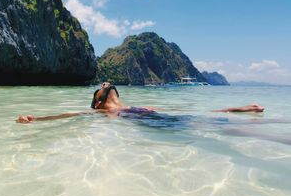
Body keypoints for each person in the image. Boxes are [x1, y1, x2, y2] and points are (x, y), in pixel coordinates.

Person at [16, 82, 264, 123]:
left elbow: (186, 109)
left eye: (105, 86)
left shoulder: (131, 106)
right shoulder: (102, 114)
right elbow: (70, 115)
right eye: (99, 89)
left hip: (154, 118)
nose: (105, 85)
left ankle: (243, 112)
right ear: (99, 104)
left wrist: (236, 108)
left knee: (201, 118)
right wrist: (37, 119)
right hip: (150, 124)